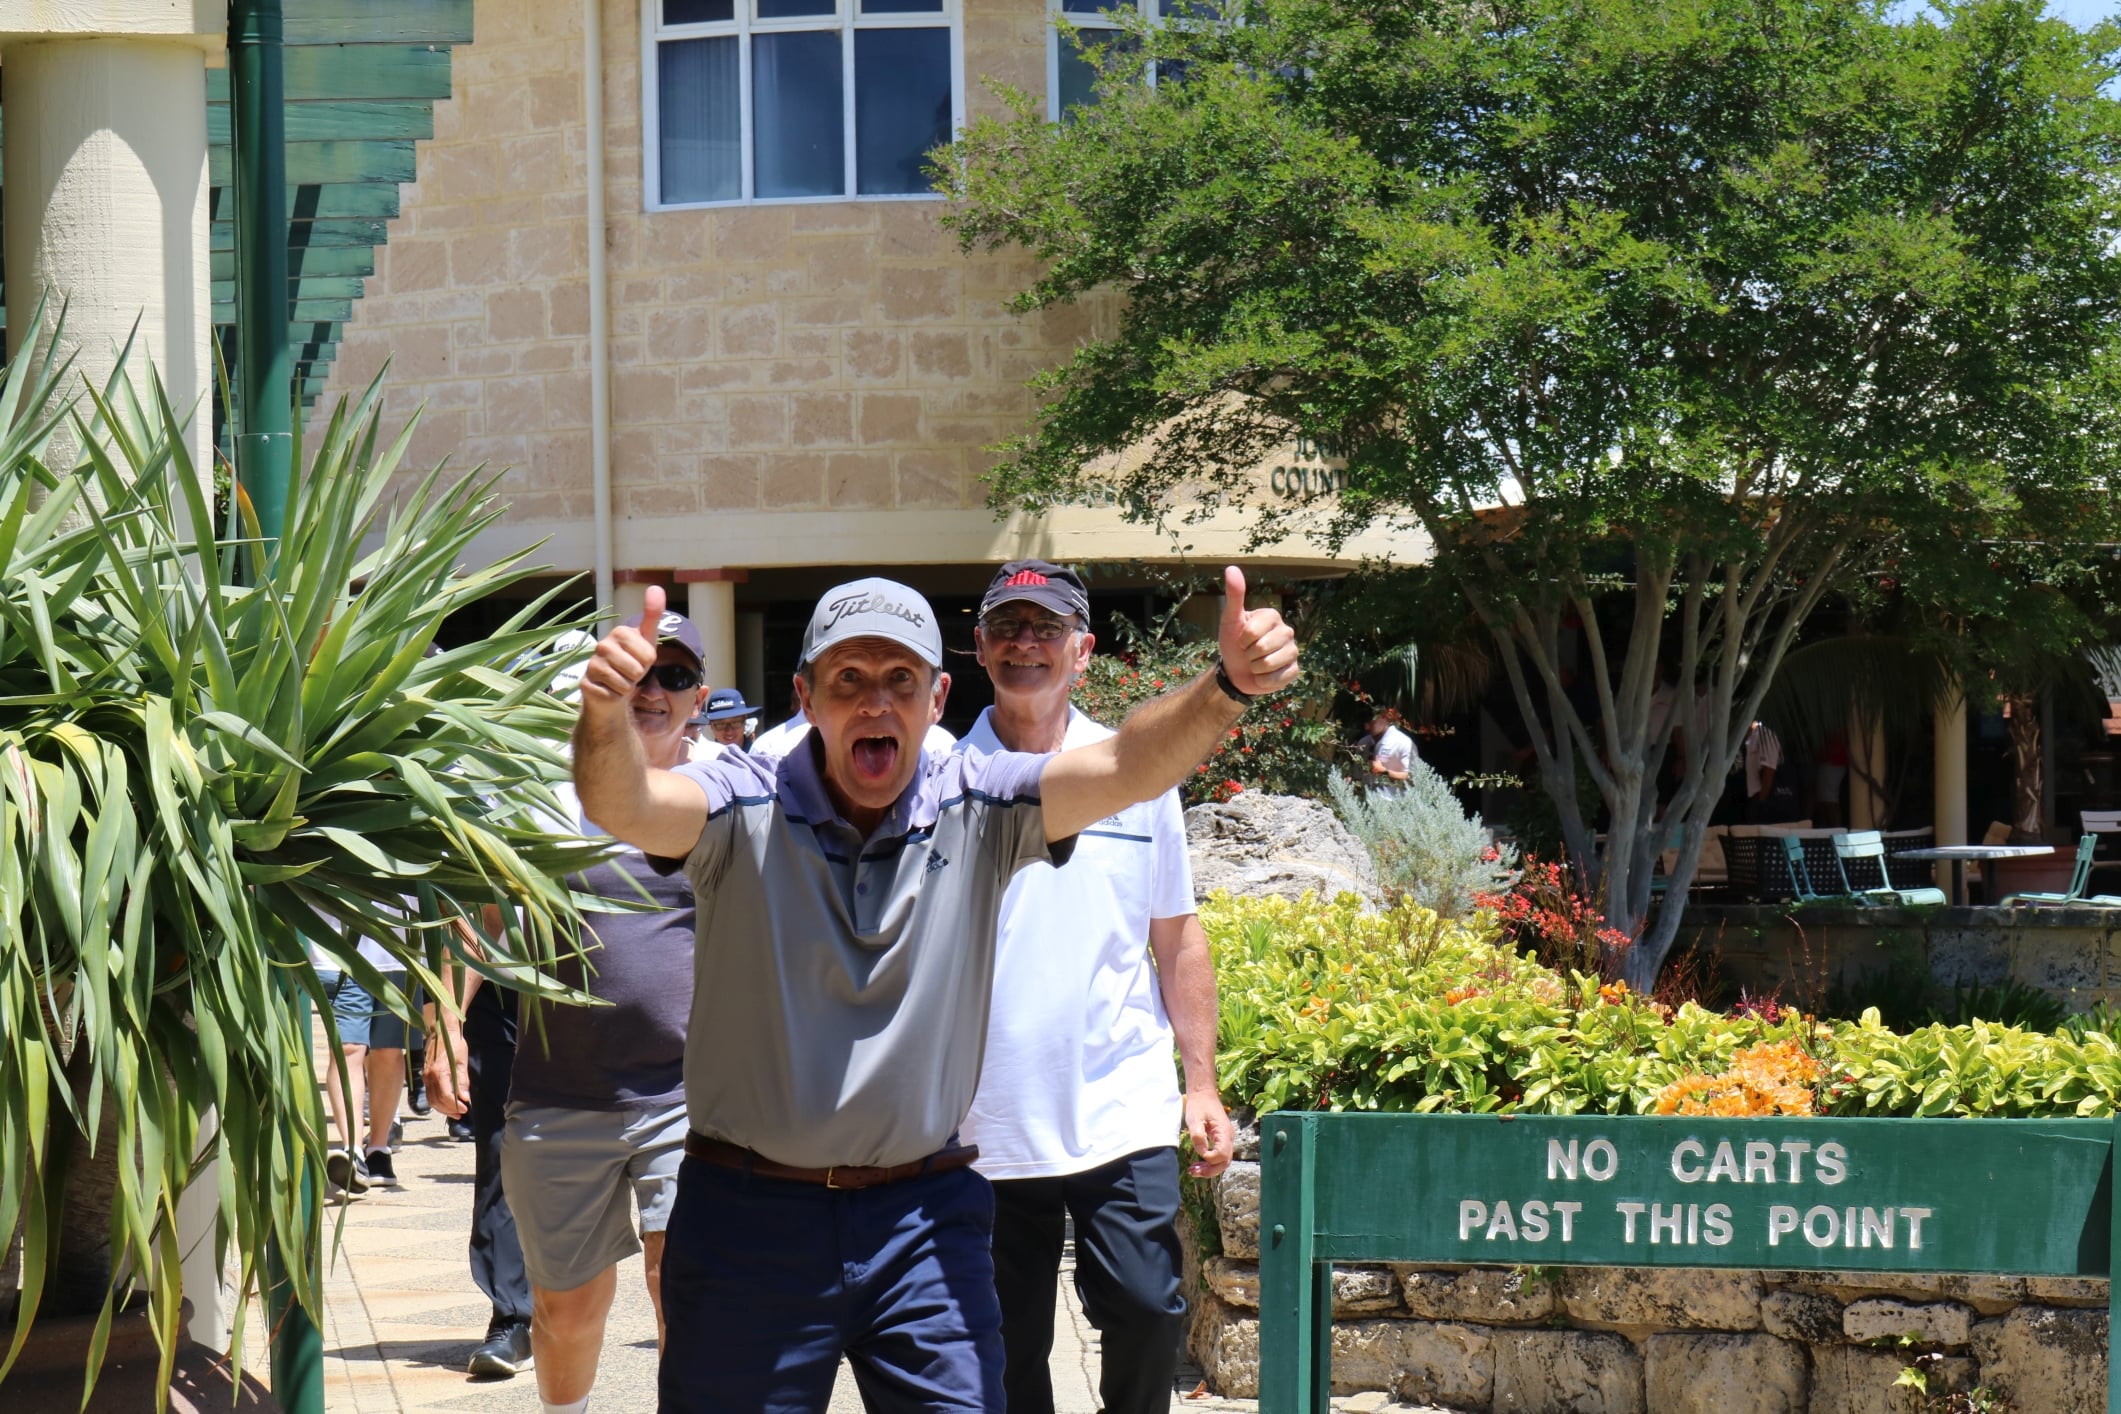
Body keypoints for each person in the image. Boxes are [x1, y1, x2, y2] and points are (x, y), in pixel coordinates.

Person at [571, 567, 1297, 1412]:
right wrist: (604, 710)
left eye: (899, 679)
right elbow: (626, 803)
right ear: (806, 696)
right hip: (749, 1218)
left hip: (921, 1220)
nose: (875, 702)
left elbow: (1127, 763)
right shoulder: (741, 801)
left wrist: (1225, 687)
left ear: (936, 696)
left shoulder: (981, 804)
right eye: (848, 678)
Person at [956, 560, 1234, 1414]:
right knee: (1005, 1346)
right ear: (979, 647)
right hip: (981, 1116)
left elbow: (1175, 932)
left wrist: (1199, 1083)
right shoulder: (942, 776)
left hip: (1119, 1101)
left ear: (1082, 650)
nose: (1024, 644)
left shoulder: (1135, 770)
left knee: (1148, 1308)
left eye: (1045, 628)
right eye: (1007, 627)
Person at [491, 606, 706, 1414]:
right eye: (635, 673)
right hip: (559, 1095)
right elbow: (480, 914)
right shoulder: (542, 798)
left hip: (688, 1099)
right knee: (566, 1311)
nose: (651, 691)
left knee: (683, 1292)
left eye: (672, 676)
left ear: (698, 696)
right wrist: (441, 1029)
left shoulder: (723, 794)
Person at [309, 926, 410, 1194]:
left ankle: (378, 1150)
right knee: (348, 1048)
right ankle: (352, 1149)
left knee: (389, 1051)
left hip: (396, 949)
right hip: (337, 951)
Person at [693, 687, 758, 750]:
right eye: (721, 724)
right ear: (711, 725)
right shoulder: (702, 756)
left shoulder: (759, 754)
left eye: (735, 723)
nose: (729, 731)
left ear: (745, 721)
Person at [1367, 710, 1415, 791]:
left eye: (1372, 720)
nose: (1367, 727)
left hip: (1395, 797)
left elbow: (1412, 777)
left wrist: (1384, 772)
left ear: (1385, 717)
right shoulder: (1363, 742)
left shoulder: (1403, 742)